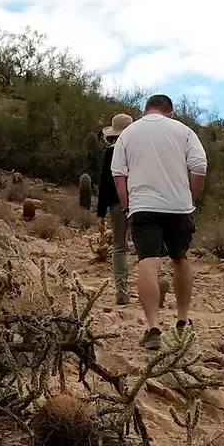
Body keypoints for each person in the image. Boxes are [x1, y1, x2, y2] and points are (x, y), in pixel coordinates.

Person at [110, 94, 207, 350]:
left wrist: (128, 205)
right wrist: (188, 193)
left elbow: (119, 174)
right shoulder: (184, 131)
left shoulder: (128, 134)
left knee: (148, 262)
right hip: (178, 206)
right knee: (180, 258)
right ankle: (183, 320)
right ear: (170, 112)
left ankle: (153, 327)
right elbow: (199, 166)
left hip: (143, 206)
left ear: (145, 110)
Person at [96, 113, 134, 305]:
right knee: (146, 248)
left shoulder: (111, 153)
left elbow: (104, 185)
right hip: (141, 202)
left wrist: (100, 214)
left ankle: (122, 290)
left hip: (117, 205)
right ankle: (151, 288)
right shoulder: (139, 151)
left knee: (119, 247)